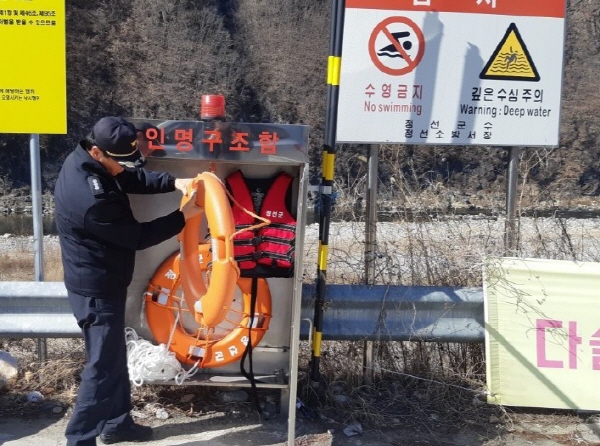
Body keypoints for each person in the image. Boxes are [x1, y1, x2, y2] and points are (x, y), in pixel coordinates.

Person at [54, 116, 202, 446]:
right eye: (119, 163)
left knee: (113, 356)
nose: (124, 168)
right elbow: (136, 236)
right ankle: (79, 439)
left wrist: (175, 182)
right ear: (98, 152)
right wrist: (183, 217)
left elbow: (128, 176)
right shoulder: (90, 199)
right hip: (96, 289)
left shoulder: (88, 160)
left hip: (105, 279)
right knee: (103, 367)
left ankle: (117, 423)